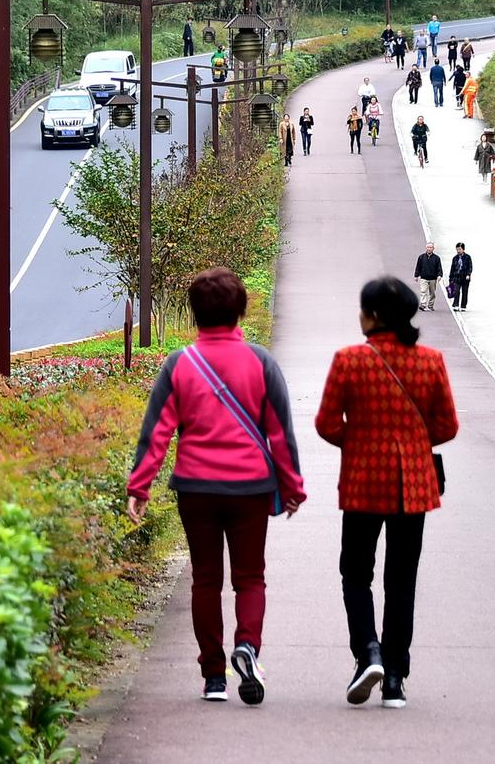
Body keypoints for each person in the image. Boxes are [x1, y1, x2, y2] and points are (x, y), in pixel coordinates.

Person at [128, 267, 307, 705]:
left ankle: (213, 675)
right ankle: (247, 647)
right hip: (250, 487)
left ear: (194, 315)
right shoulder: (261, 362)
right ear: (241, 310)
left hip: (196, 487)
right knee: (250, 578)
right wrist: (293, 486)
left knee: (205, 579)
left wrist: (140, 486)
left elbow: (157, 431)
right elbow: (279, 432)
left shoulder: (179, 364)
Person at [316, 277, 458, 709]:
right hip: (413, 487)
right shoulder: (430, 361)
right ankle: (395, 676)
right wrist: (413, 443)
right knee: (402, 581)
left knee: (356, 574)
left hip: (362, 483)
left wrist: (359, 441)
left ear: (373, 315)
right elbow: (447, 426)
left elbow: (326, 423)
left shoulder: (349, 360)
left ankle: (368, 654)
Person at [413, 242, 443, 311]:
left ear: (433, 248)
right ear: (426, 248)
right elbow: (418, 267)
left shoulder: (437, 258)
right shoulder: (421, 257)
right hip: (424, 278)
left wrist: (439, 275)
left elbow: (439, 268)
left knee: (432, 293)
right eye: (428, 247)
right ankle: (423, 305)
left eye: (431, 247)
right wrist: (416, 275)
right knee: (423, 291)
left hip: (433, 278)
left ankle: (430, 305)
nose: (429, 249)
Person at [447, 243, 472, 311]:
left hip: (465, 278)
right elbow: (452, 268)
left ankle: (463, 306)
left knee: (465, 292)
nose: (458, 251)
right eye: (457, 249)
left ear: (463, 249)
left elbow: (470, 267)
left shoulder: (467, 257)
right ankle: (456, 305)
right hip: (456, 277)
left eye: (459, 249)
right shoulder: (455, 258)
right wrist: (450, 278)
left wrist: (468, 274)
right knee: (456, 291)